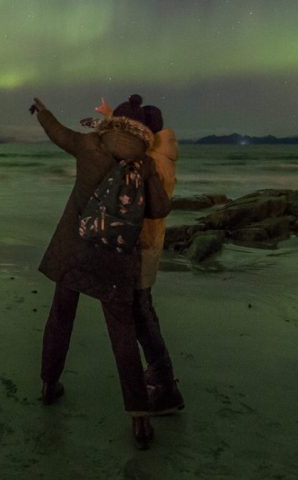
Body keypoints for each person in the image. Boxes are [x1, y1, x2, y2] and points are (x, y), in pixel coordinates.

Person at [30, 96, 171, 449]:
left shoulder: (89, 144)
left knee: (61, 315)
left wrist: (42, 112)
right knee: (122, 334)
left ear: (114, 124)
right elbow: (159, 209)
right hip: (115, 259)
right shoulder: (143, 162)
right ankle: (139, 418)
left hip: (74, 249)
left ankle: (49, 385)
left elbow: (58, 133)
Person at [91, 95, 185, 415]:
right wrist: (109, 117)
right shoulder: (161, 152)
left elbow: (123, 151)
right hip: (150, 245)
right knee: (144, 312)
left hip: (142, 246)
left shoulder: (151, 163)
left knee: (142, 317)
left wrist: (108, 124)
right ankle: (161, 379)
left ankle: (164, 385)